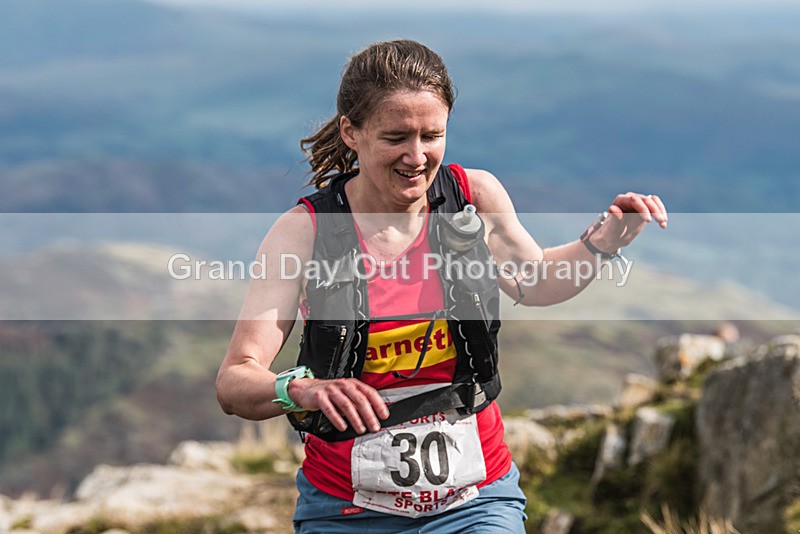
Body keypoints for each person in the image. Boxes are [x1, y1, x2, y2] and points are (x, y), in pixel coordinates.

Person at [215, 39, 668, 533]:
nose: (417, 157)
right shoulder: (305, 232)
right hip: (346, 511)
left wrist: (602, 243)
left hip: (475, 500)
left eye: (432, 135)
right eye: (395, 138)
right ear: (352, 131)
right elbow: (236, 381)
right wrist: (302, 389)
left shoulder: (471, 198)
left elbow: (535, 281)